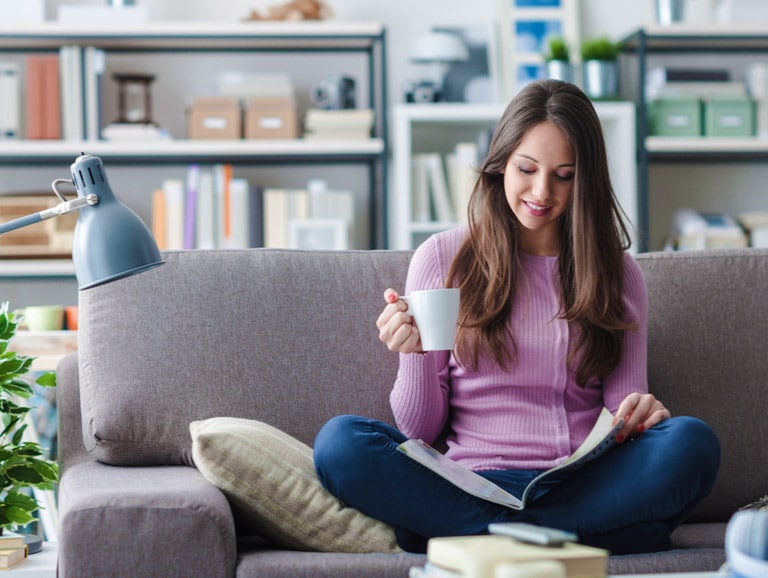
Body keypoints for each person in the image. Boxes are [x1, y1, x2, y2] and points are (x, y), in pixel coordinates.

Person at [313, 79, 720, 555]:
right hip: (468, 482)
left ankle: (468, 536)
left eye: (564, 175)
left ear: (585, 179)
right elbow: (419, 431)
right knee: (340, 443)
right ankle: (583, 537)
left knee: (691, 442)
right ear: (501, 162)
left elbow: (621, 417)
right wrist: (415, 355)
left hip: (579, 480)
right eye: (527, 168)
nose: (541, 191)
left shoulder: (617, 272)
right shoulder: (442, 257)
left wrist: (641, 416)